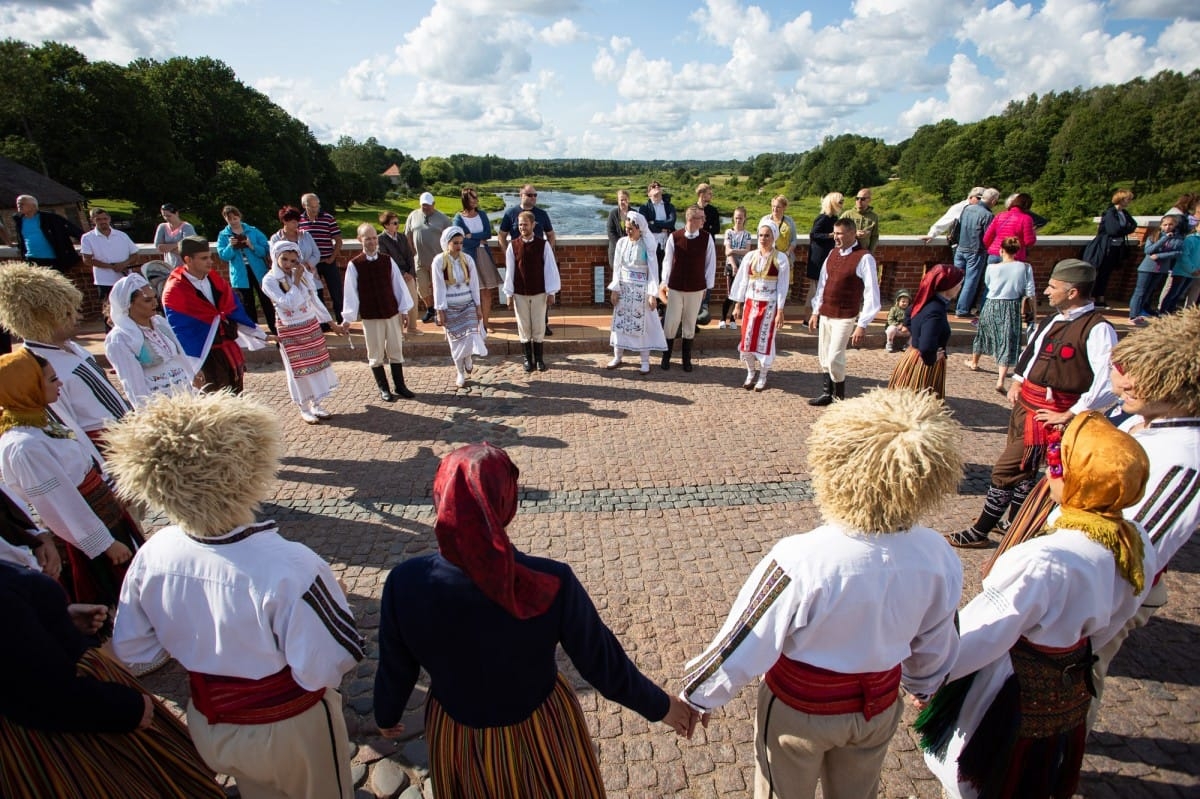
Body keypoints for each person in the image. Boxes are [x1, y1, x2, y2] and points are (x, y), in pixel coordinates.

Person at [682, 389, 963, 799]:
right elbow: (938, 637)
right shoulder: (938, 553)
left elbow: (747, 636)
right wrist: (926, 685)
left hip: (802, 709)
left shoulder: (803, 557)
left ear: (836, 467)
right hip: (878, 708)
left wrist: (697, 695)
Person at [373, 443, 698, 797]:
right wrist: (664, 707)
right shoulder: (549, 581)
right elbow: (602, 664)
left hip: (458, 735)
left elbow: (396, 666)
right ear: (505, 503)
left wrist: (386, 714)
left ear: (439, 498)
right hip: (542, 732)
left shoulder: (404, 583)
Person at [109, 391, 364, 799]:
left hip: (209, 723)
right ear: (248, 472)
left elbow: (135, 651)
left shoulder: (153, 554)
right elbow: (326, 665)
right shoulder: (292, 566)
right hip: (287, 727)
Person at [921, 412, 1154, 799]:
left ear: (1085, 479)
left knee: (983, 778)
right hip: (1068, 684)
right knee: (1036, 776)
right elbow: (1116, 620)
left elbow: (989, 628)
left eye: (1060, 465)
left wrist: (932, 673)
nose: (1050, 471)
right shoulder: (1132, 543)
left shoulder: (1044, 557)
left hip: (1013, 682)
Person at [0, 560, 224, 799]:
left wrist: (57, 618)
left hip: (74, 706)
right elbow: (39, 690)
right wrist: (125, 709)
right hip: (70, 727)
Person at [949, 259, 1116, 548]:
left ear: (1073, 291)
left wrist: (1071, 413)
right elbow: (1033, 354)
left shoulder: (1097, 329)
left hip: (1050, 415)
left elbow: (1108, 379)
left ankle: (981, 530)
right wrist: (1018, 379)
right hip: (1025, 405)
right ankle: (1014, 521)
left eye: (1053, 287)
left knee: (1004, 470)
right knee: (1023, 469)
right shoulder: (1054, 319)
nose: (1046, 292)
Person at [1085, 308, 1200, 726]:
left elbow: (1137, 551)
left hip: (1104, 589)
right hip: (1081, 568)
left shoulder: (1183, 459)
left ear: (1185, 387)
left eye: (1145, 377)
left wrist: (1081, 618)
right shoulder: (1141, 419)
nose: (1124, 383)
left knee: (1078, 679)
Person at [0, 349, 141, 609]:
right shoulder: (24, 445)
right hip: (86, 534)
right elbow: (59, 502)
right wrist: (104, 543)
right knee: (114, 600)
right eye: (52, 379)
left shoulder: (41, 423)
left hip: (104, 515)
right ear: (27, 387)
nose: (60, 383)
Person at [0, 262, 131, 449]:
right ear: (42, 320)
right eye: (67, 313)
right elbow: (67, 428)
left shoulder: (75, 348)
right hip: (102, 449)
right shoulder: (38, 368)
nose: (78, 317)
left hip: (123, 437)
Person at [162, 235, 267, 395]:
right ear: (188, 259)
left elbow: (233, 309)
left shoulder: (214, 279)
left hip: (227, 350)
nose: (210, 262)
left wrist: (260, 335)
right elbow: (180, 332)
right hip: (205, 356)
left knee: (236, 394)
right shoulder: (175, 290)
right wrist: (192, 368)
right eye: (204, 258)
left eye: (210, 257)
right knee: (216, 400)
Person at [262, 240, 345, 423]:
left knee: (316, 365)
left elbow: (313, 300)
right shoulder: (270, 280)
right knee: (298, 369)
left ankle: (317, 402)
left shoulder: (302, 273)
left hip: (309, 324)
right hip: (290, 329)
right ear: (276, 257)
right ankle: (303, 406)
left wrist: (331, 323)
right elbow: (288, 303)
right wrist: (297, 281)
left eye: (293, 260)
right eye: (284, 259)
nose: (288, 264)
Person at [807, 218, 881, 406]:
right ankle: (827, 393)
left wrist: (862, 324)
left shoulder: (864, 257)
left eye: (839, 233)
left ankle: (839, 397)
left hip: (845, 316)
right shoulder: (832, 253)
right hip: (826, 312)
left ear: (851, 233)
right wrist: (816, 312)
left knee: (834, 357)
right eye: (834, 233)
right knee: (824, 355)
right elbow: (822, 285)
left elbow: (872, 292)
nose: (836, 237)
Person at [342, 222, 416, 402]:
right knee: (375, 354)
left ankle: (400, 385)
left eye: (374, 238)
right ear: (360, 240)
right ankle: (384, 388)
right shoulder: (355, 265)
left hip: (391, 312)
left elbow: (398, 286)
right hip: (371, 315)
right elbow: (350, 292)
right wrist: (348, 317)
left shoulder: (387, 260)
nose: (372, 242)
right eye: (368, 239)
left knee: (395, 349)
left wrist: (403, 309)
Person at [104, 273, 196, 407]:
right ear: (128, 304)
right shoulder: (120, 339)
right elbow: (133, 384)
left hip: (185, 397)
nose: (155, 303)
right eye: (147, 300)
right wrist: (149, 416)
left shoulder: (160, 323)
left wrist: (192, 378)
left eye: (154, 298)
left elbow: (180, 355)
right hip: (159, 405)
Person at [964, 237, 1036, 394]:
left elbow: (989, 285)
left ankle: (974, 362)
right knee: (1007, 340)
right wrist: (1033, 312)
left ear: (1001, 250)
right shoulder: (1025, 267)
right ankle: (1000, 379)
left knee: (983, 334)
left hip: (991, 303)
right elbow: (1030, 291)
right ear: (1017, 251)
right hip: (1011, 305)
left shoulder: (991, 267)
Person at [887, 264, 963, 400]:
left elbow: (909, 312)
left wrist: (911, 329)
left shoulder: (925, 300)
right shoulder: (935, 310)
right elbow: (927, 346)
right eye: (958, 284)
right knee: (918, 402)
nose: (960, 287)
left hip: (912, 356)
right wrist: (932, 358)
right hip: (924, 364)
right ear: (948, 286)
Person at [730, 220, 789, 391]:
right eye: (761, 235)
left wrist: (780, 310)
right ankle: (750, 372)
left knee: (765, 341)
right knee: (747, 340)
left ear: (773, 237)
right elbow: (743, 282)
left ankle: (763, 375)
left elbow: (782, 286)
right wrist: (737, 305)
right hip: (751, 304)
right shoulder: (750, 257)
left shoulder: (780, 258)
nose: (763, 239)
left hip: (769, 306)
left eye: (767, 235)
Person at [605, 210, 667, 373]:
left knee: (643, 325)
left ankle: (644, 360)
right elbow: (617, 268)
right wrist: (615, 289)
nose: (628, 231)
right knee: (620, 323)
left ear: (640, 229)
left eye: (631, 228)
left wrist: (652, 294)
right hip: (625, 288)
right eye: (626, 228)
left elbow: (653, 270)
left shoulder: (647, 245)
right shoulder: (622, 243)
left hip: (641, 289)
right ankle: (618, 356)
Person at [659, 205, 716, 372]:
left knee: (690, 323)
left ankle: (686, 359)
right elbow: (667, 262)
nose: (704, 221)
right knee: (671, 322)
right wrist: (664, 282)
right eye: (701, 218)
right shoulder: (674, 237)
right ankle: (666, 356)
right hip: (676, 287)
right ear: (691, 219)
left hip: (696, 288)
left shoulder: (706, 238)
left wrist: (707, 286)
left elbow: (710, 264)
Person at [431, 226, 488, 389]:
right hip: (450, 307)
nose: (458, 246)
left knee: (470, 334)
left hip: (467, 304)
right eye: (455, 243)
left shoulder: (467, 259)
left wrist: (478, 306)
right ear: (447, 243)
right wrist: (440, 310)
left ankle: (468, 358)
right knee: (455, 341)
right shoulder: (439, 261)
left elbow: (475, 284)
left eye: (461, 243)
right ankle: (460, 372)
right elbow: (438, 286)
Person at [504, 211, 560, 373]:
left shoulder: (543, 245)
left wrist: (551, 292)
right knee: (524, 326)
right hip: (520, 292)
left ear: (533, 225)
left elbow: (550, 269)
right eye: (520, 225)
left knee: (538, 325)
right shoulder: (513, 246)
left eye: (525, 224)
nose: (522, 227)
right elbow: (510, 270)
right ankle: (528, 359)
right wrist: (509, 294)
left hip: (539, 291)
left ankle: (539, 359)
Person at [498, 184, 558, 336]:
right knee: (521, 295)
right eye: (530, 195)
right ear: (521, 195)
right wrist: (508, 254)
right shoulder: (510, 213)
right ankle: (524, 329)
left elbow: (551, 235)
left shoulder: (542, 214)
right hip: (519, 261)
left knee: (540, 293)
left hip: (538, 262)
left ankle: (543, 324)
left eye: (535, 195)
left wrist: (547, 252)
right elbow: (502, 235)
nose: (533, 198)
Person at [216, 205, 276, 337]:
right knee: (248, 304)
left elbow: (265, 250)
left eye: (235, 217)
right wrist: (231, 246)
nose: (233, 221)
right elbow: (224, 256)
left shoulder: (252, 231)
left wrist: (251, 245)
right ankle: (255, 334)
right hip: (240, 274)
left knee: (266, 300)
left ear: (239, 216)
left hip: (258, 271)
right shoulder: (224, 235)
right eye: (229, 218)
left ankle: (274, 329)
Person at [451, 187, 500, 333]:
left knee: (485, 291)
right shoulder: (458, 218)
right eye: (472, 198)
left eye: (476, 198)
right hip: (467, 257)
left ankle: (485, 323)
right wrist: (478, 241)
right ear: (465, 199)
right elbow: (460, 241)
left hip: (484, 255)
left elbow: (488, 234)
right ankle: (474, 323)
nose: (475, 201)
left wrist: (471, 235)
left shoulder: (482, 214)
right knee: (472, 292)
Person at [1082, 189, 1138, 309]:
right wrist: (1124, 230)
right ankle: (1089, 297)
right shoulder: (1110, 213)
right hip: (1103, 247)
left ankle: (1100, 297)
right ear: (1121, 199)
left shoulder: (1124, 213)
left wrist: (1123, 230)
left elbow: (1133, 226)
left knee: (1106, 273)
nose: (1129, 202)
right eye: (1127, 199)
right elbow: (1114, 230)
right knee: (1095, 272)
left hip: (1115, 248)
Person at [298, 193, 344, 326]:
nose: (314, 209)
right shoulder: (299, 221)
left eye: (316, 206)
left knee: (336, 292)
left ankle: (341, 321)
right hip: (311, 264)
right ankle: (323, 323)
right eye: (311, 207)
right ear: (304, 206)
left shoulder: (328, 218)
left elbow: (338, 240)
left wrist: (332, 257)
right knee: (316, 294)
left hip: (328, 261)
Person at [1128, 214, 1183, 326]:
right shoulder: (1154, 236)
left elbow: (1178, 252)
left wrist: (1159, 256)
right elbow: (1149, 250)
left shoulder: (1178, 239)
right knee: (1140, 291)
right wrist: (1164, 238)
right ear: (1161, 225)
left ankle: (1140, 312)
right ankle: (1133, 314)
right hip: (1147, 268)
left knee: (1149, 292)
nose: (1168, 227)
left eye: (1170, 224)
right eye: (1165, 225)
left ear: (1175, 225)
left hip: (1161, 269)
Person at [406, 192, 452, 323]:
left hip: (438, 261)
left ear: (434, 204)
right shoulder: (413, 215)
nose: (425, 208)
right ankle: (430, 308)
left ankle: (440, 311)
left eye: (428, 205)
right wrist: (412, 251)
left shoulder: (443, 218)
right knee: (422, 288)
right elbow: (408, 234)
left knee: (439, 288)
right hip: (419, 260)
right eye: (423, 205)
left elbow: (451, 237)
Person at [953, 188, 1000, 318]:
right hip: (976, 251)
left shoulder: (967, 208)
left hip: (960, 248)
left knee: (954, 279)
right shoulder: (988, 215)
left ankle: (947, 304)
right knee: (970, 281)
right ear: (993, 201)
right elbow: (988, 236)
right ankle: (962, 310)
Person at [80, 207, 138, 308]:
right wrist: (111, 266)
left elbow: (135, 255)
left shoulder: (122, 235)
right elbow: (87, 260)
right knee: (108, 310)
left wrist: (123, 264)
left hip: (125, 279)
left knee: (130, 307)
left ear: (109, 219)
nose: (103, 222)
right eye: (98, 219)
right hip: (104, 281)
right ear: (92, 220)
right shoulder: (87, 238)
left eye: (105, 219)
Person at [12, 194, 83, 272]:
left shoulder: (50, 218)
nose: (18, 205)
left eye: (22, 203)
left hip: (53, 260)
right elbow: (22, 239)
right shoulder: (20, 221)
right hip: (32, 260)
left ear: (33, 205)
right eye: (18, 203)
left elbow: (77, 232)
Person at [377, 210, 420, 334]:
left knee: (413, 300)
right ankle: (398, 331)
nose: (397, 225)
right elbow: (385, 259)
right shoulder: (381, 240)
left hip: (408, 274)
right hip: (393, 276)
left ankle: (412, 327)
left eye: (397, 222)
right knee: (397, 303)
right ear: (386, 225)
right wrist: (401, 273)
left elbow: (410, 256)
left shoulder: (402, 237)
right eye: (394, 223)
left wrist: (411, 272)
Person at [982, 193, 1036, 266]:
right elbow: (1029, 241)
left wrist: (993, 248)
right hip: (1014, 256)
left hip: (995, 254)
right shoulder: (1026, 219)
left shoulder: (1000, 215)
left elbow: (987, 237)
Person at [720, 205, 752, 329]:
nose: (738, 220)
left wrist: (733, 250)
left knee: (739, 293)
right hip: (731, 266)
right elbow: (727, 252)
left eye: (740, 218)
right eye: (736, 218)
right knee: (730, 293)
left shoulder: (747, 235)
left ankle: (733, 319)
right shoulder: (729, 232)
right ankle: (723, 318)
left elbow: (747, 251)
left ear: (744, 218)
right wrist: (733, 265)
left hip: (743, 266)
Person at [921, 187, 985, 245]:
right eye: (978, 198)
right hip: (960, 246)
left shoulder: (983, 210)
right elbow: (943, 222)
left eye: (983, 199)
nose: (980, 201)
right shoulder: (960, 207)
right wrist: (931, 234)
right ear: (971, 197)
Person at [695, 182, 721, 325]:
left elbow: (715, 228)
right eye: (709, 193)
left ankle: (705, 303)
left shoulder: (713, 211)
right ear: (701, 194)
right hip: (695, 247)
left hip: (708, 246)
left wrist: (706, 228)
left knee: (708, 272)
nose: (711, 196)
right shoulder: (693, 209)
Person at [1163, 219, 1200, 313]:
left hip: (1194, 273)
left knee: (1179, 294)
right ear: (1196, 227)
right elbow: (1184, 256)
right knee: (1173, 293)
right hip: (1182, 271)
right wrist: (1192, 269)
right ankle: (1163, 311)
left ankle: (1170, 311)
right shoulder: (1190, 239)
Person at [806, 192, 843, 286]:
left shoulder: (834, 218)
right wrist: (829, 235)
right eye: (840, 202)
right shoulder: (823, 218)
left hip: (827, 251)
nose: (842, 204)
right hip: (819, 254)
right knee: (817, 282)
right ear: (833, 203)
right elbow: (813, 235)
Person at [639, 180, 676, 268]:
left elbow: (671, 223)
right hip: (651, 245)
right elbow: (645, 226)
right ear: (649, 194)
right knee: (652, 271)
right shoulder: (644, 208)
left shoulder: (669, 206)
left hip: (667, 244)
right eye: (653, 186)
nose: (657, 187)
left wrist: (654, 222)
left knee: (666, 270)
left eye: (658, 186)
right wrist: (661, 229)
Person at [153, 203, 196, 268]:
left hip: (186, 266)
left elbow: (187, 248)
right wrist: (178, 245)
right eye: (164, 216)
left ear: (176, 213)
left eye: (169, 216)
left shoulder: (187, 227)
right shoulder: (162, 227)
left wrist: (167, 248)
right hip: (169, 265)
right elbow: (158, 246)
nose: (166, 218)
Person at [606, 188, 633, 284]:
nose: (623, 202)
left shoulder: (634, 213)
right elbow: (610, 232)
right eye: (621, 199)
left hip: (631, 251)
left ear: (628, 200)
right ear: (618, 200)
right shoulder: (613, 214)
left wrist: (628, 245)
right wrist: (621, 245)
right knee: (617, 278)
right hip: (615, 251)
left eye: (625, 199)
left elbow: (638, 231)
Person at [839, 189, 878, 253]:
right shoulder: (847, 214)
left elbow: (875, 236)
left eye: (862, 199)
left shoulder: (874, 216)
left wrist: (870, 251)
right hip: (848, 251)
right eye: (857, 198)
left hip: (864, 252)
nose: (859, 201)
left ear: (869, 200)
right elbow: (837, 232)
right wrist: (854, 233)